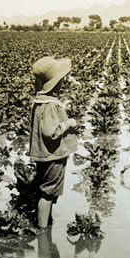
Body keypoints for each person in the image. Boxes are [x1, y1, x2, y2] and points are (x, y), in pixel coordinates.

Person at [29, 56, 78, 230]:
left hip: (43, 154)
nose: (63, 81)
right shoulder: (50, 105)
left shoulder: (41, 102)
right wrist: (68, 123)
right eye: (61, 79)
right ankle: (43, 231)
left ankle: (47, 223)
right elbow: (51, 132)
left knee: (46, 189)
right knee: (49, 191)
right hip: (53, 155)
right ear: (55, 83)